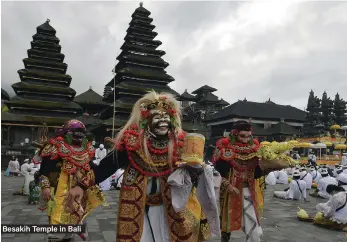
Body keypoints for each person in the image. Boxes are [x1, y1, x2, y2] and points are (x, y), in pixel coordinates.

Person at [65, 92, 216, 242]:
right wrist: (81, 186)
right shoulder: (132, 143)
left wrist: (196, 170)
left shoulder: (182, 144)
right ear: (146, 120)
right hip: (138, 207)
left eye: (166, 117)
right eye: (157, 117)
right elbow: (107, 166)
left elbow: (196, 176)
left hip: (172, 208)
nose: (162, 121)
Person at [212, 120, 293, 242]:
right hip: (231, 193)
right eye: (242, 136)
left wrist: (270, 167)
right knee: (226, 224)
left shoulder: (256, 150)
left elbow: (257, 173)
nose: (245, 140)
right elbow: (216, 173)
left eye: (248, 136)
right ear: (234, 134)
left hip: (249, 191)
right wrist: (228, 186)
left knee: (253, 223)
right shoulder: (224, 149)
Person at [38, 119, 105, 242]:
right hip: (58, 187)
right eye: (75, 132)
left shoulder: (86, 148)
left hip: (77, 188)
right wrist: (45, 186)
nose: (78, 136)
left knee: (73, 216)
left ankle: (69, 235)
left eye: (81, 133)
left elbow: (91, 167)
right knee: (56, 216)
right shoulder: (55, 146)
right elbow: (44, 170)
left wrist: (99, 174)